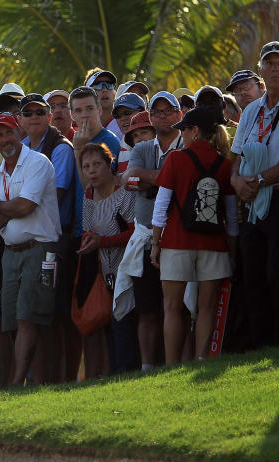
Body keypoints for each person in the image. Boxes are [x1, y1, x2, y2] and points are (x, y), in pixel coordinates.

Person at [0, 113, 61, 386]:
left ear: (19, 132)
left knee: (29, 318)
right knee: (14, 321)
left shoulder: (38, 162)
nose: (5, 139)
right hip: (11, 253)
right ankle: (35, 382)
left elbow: (27, 207)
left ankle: (17, 382)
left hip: (41, 248)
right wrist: (10, 208)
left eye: (9, 132)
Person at [232, 41, 279, 350]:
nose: (274, 68)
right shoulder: (251, 110)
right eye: (268, 63)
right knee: (253, 274)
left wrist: (257, 180)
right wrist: (237, 182)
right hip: (250, 201)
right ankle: (258, 345)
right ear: (261, 70)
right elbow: (235, 159)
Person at [152, 107, 238, 362]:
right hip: (214, 243)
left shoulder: (176, 159)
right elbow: (231, 217)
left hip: (177, 241)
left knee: (172, 307)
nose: (182, 136)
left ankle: (171, 364)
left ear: (195, 130)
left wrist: (156, 243)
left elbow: (161, 206)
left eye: (185, 130)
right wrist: (232, 250)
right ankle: (203, 360)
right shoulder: (225, 165)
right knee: (207, 307)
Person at [19, 92, 80, 383]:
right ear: (21, 119)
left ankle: (63, 380)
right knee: (37, 314)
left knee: (58, 315)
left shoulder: (61, 148)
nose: (33, 117)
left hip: (57, 243)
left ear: (48, 116)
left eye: (38, 112)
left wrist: (17, 203)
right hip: (30, 242)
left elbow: (52, 197)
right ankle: (44, 382)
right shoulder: (19, 149)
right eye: (27, 113)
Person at [120, 91, 184, 370]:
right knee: (146, 309)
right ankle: (147, 367)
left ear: (179, 114)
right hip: (147, 235)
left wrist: (149, 180)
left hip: (181, 236)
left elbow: (188, 182)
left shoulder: (186, 143)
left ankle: (179, 362)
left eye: (168, 111)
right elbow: (128, 180)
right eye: (156, 112)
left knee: (179, 306)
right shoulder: (143, 148)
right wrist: (168, 180)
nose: (163, 116)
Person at [77, 144, 137, 377]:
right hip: (105, 270)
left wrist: (103, 242)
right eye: (86, 167)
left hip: (129, 267)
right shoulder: (89, 194)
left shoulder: (124, 190)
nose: (91, 171)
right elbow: (88, 229)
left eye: (97, 165)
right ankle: (116, 373)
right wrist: (88, 241)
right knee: (109, 324)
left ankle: (128, 370)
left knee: (124, 321)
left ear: (109, 164)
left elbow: (135, 231)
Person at [70, 86, 122, 172]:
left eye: (90, 108)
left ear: (99, 110)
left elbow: (93, 184)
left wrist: (79, 149)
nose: (84, 115)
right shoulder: (76, 140)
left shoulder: (109, 141)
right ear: (72, 115)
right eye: (78, 110)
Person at [111, 93, 147, 174]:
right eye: (118, 115)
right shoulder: (118, 147)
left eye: (127, 113)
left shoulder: (157, 142)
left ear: (143, 112)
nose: (123, 118)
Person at [85, 69, 121, 139]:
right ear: (86, 94)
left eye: (109, 84)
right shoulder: (78, 126)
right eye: (97, 85)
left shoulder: (124, 123)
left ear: (114, 93)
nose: (105, 90)